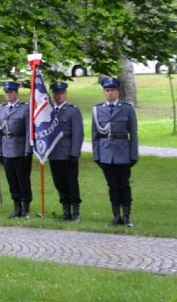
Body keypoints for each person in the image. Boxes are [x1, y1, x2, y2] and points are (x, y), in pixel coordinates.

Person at [92, 77, 138, 227]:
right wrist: (97, 155)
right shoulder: (98, 110)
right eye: (107, 90)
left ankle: (126, 216)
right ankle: (116, 216)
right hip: (106, 154)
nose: (110, 93)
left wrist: (133, 155)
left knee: (124, 186)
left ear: (118, 92)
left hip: (123, 153)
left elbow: (133, 134)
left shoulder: (127, 108)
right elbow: (95, 135)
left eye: (112, 90)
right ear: (104, 92)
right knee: (112, 186)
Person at [47, 82, 85, 222]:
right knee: (59, 183)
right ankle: (66, 211)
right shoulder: (48, 111)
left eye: (62, 93)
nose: (59, 96)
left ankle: (75, 212)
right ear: (53, 95)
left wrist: (75, 153)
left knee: (71, 183)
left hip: (68, 153)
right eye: (56, 93)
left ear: (66, 94)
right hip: (53, 153)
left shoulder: (72, 111)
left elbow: (78, 133)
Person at [0, 82, 33, 219]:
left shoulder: (25, 108)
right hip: (6, 149)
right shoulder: (2, 109)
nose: (9, 94)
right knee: (12, 180)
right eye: (7, 92)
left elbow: (29, 131)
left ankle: (25, 207)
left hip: (20, 148)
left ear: (16, 93)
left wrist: (28, 150)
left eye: (11, 92)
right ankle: (17, 207)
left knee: (23, 180)